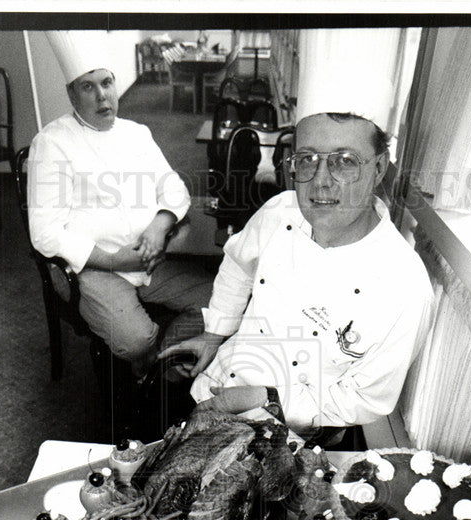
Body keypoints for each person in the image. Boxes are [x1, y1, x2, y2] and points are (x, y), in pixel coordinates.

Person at [159, 92, 433, 439]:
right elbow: (237, 263)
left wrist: (268, 400)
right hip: (215, 386)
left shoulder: (406, 287)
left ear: (378, 168)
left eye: (344, 161)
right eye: (307, 159)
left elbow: (365, 399)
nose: (320, 180)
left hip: (296, 433)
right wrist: (215, 333)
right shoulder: (280, 211)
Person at [27, 31, 213, 377]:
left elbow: (173, 186)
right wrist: (113, 260)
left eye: (107, 83)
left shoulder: (136, 132)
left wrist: (159, 228)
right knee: (136, 341)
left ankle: (156, 369)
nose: (102, 96)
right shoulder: (51, 143)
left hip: (149, 255)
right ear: (72, 94)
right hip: (94, 268)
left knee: (218, 300)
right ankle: (157, 366)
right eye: (88, 87)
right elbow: (44, 232)